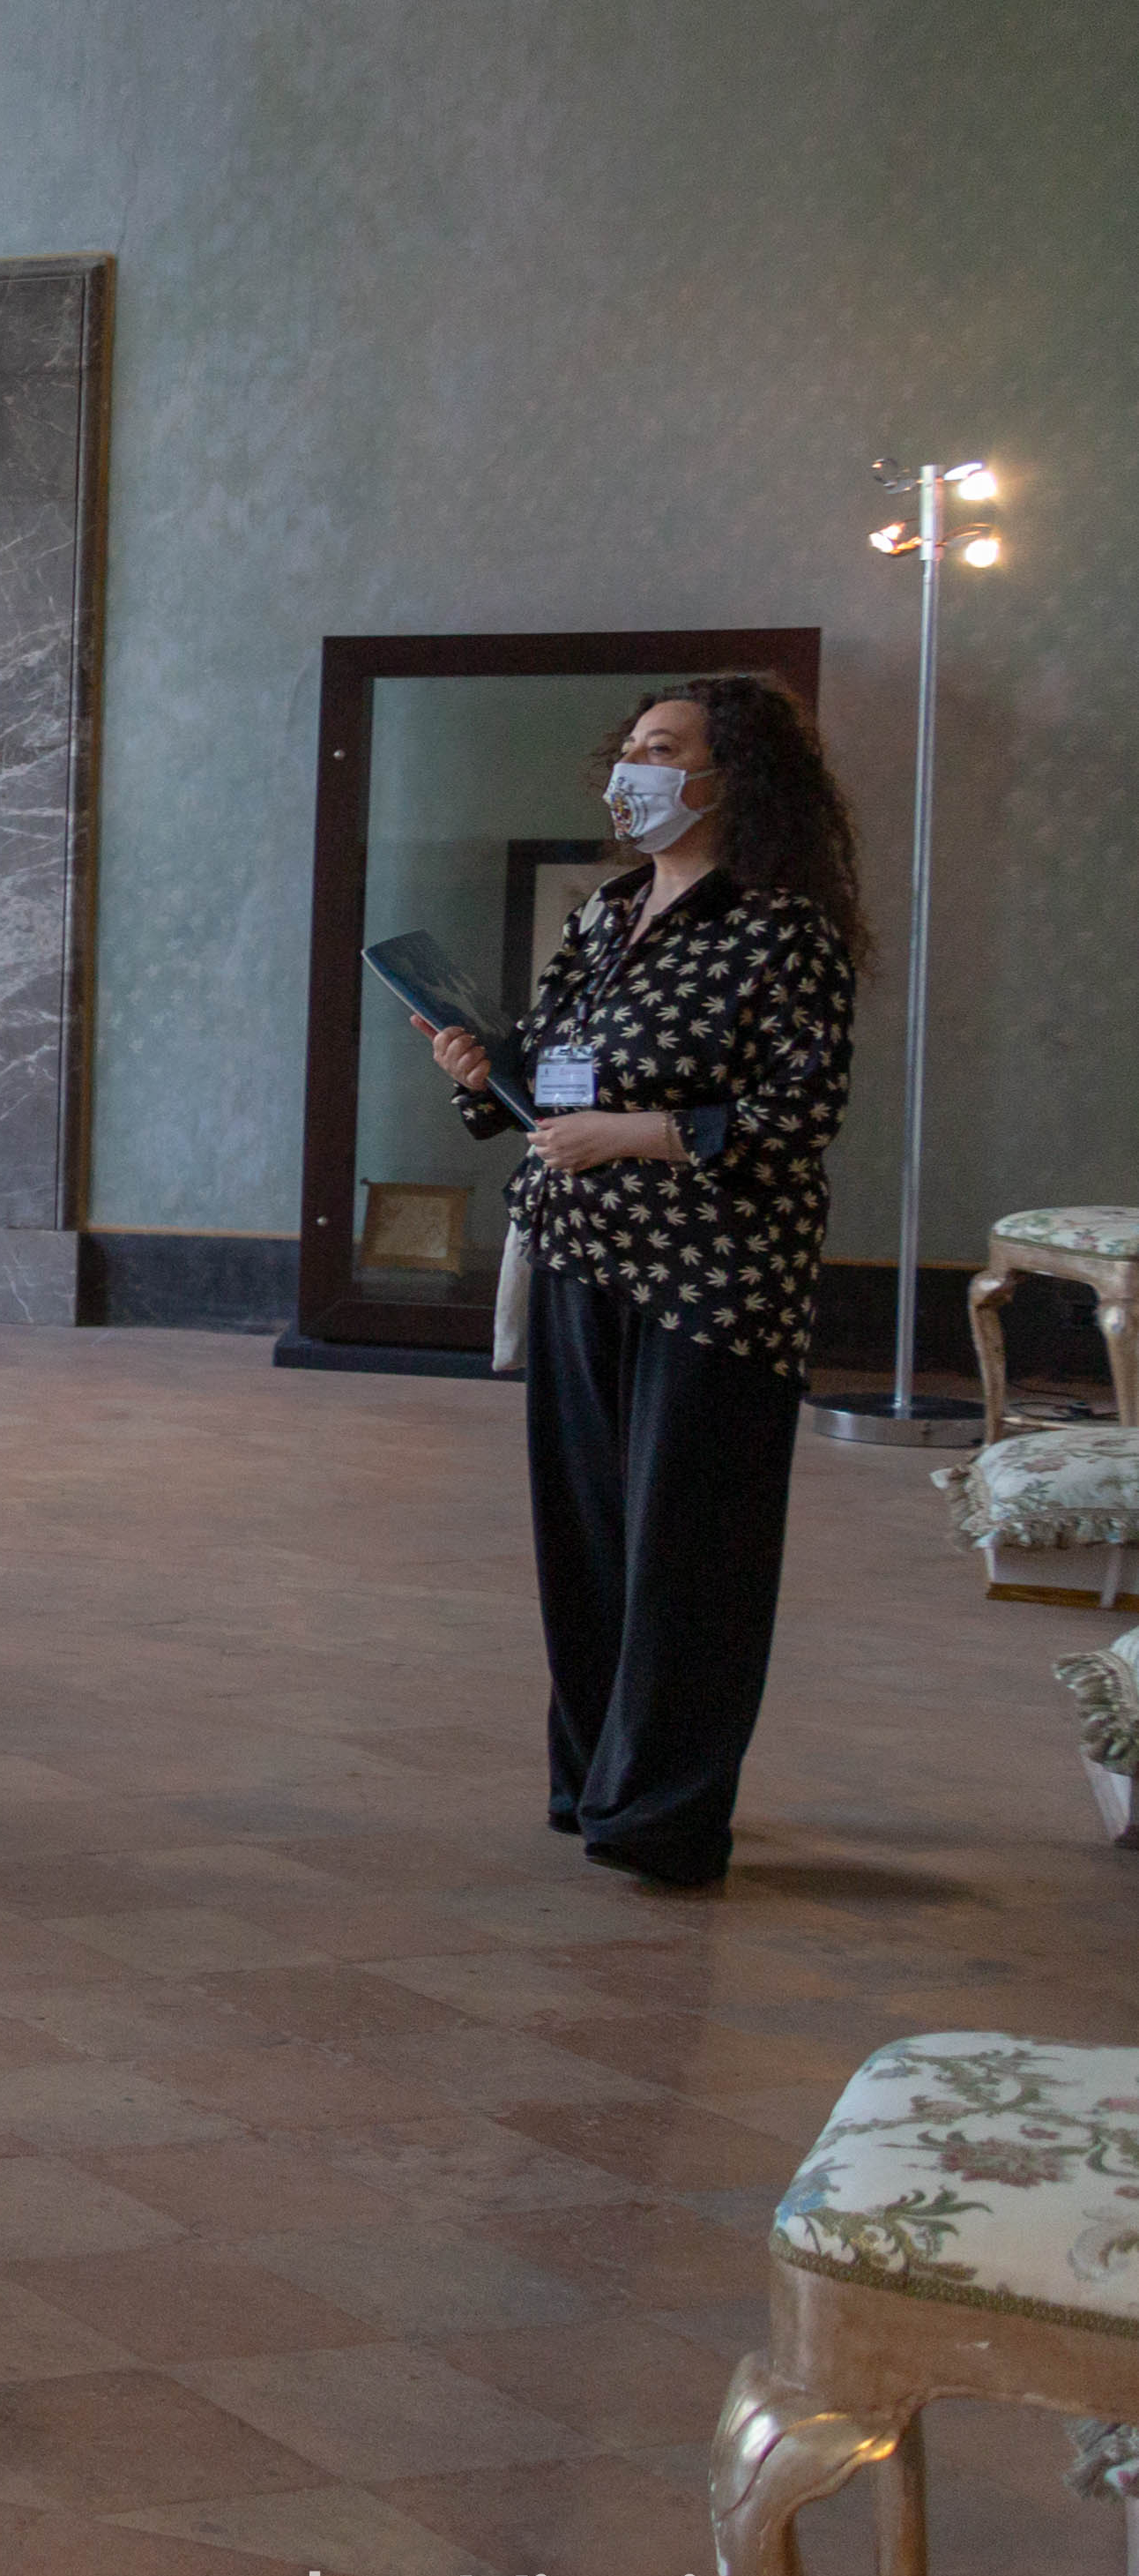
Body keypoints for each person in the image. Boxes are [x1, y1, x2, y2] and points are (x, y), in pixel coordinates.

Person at [418, 675, 860, 1893]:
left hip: (713, 1284)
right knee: (586, 1541)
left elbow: (799, 1112)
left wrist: (642, 1134)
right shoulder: (608, 911)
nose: (633, 769)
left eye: (661, 749)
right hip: (580, 1254)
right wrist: (480, 1070)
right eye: (631, 747)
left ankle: (663, 1816)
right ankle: (590, 1782)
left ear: (730, 776)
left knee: (690, 1555)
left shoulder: (782, 930)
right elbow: (553, 1076)